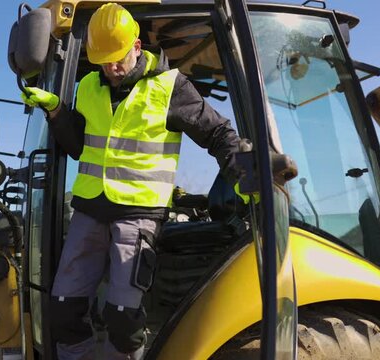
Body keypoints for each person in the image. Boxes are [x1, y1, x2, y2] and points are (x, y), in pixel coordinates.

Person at [21, 3, 242, 359]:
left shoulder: (171, 87)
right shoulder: (90, 86)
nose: (110, 68)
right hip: (90, 211)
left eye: (117, 58)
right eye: (103, 60)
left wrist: (248, 174)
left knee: (123, 319)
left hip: (138, 215)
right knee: (63, 307)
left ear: (137, 47)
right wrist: (57, 111)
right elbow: (78, 146)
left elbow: (218, 133)